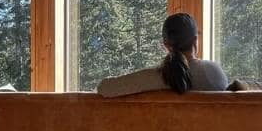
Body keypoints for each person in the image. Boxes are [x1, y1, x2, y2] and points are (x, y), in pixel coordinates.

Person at [97, 13, 229, 97]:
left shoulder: (154, 77)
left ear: (165, 45)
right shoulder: (213, 72)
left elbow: (104, 88)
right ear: (195, 40)